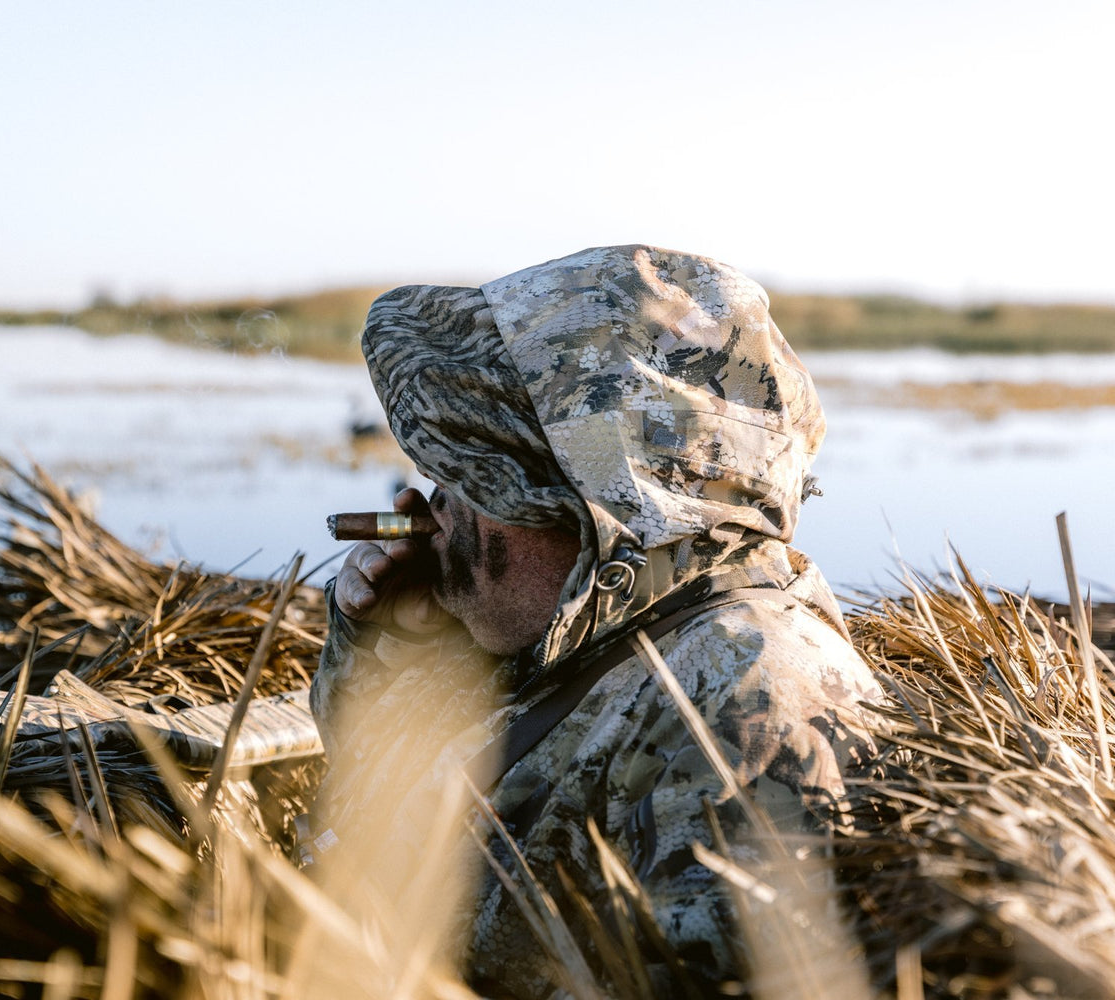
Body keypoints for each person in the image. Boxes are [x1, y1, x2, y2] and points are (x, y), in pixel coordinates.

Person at [307, 245, 883, 997]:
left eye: (475, 472)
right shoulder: (571, 632)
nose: (433, 502)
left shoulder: (744, 704)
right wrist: (396, 646)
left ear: (604, 506)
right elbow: (364, 788)